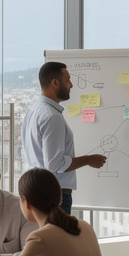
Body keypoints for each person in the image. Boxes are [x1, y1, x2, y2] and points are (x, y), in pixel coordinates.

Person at [20, 61, 106, 214]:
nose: (71, 85)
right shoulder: (52, 117)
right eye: (67, 80)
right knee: (56, 231)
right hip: (54, 196)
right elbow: (54, 164)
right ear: (55, 83)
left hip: (36, 190)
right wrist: (88, 160)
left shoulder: (33, 110)